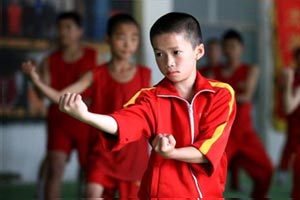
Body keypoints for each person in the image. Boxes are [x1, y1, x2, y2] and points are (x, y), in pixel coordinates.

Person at [58, 12, 236, 198]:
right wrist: (86, 116)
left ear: (198, 51)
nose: (168, 62)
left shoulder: (221, 94)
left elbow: (207, 150)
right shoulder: (150, 98)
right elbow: (122, 122)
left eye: (176, 52)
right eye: (159, 54)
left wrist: (172, 153)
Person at [23, 13, 151, 198]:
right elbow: (62, 96)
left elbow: (155, 113)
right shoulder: (96, 74)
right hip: (102, 151)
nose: (127, 44)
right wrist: (36, 81)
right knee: (91, 193)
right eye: (121, 37)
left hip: (133, 155)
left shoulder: (144, 75)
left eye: (133, 38)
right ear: (108, 39)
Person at [23, 11, 99, 200]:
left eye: (68, 28)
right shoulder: (49, 60)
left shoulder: (94, 57)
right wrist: (33, 79)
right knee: (56, 167)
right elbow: (43, 95)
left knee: (88, 170)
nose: (63, 32)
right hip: (59, 119)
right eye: (60, 28)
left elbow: (101, 88)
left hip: (86, 119)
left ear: (80, 31)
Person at [213, 29, 274, 198]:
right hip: (222, 134)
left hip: (245, 133)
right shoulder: (213, 72)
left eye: (233, 46)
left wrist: (221, 94)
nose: (230, 50)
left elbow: (246, 96)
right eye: (226, 47)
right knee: (210, 173)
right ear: (222, 49)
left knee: (266, 170)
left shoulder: (251, 69)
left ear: (242, 48)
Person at [281, 47, 300, 198]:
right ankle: (283, 171)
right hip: (295, 123)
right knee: (289, 147)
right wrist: (288, 81)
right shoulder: (294, 78)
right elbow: (288, 107)